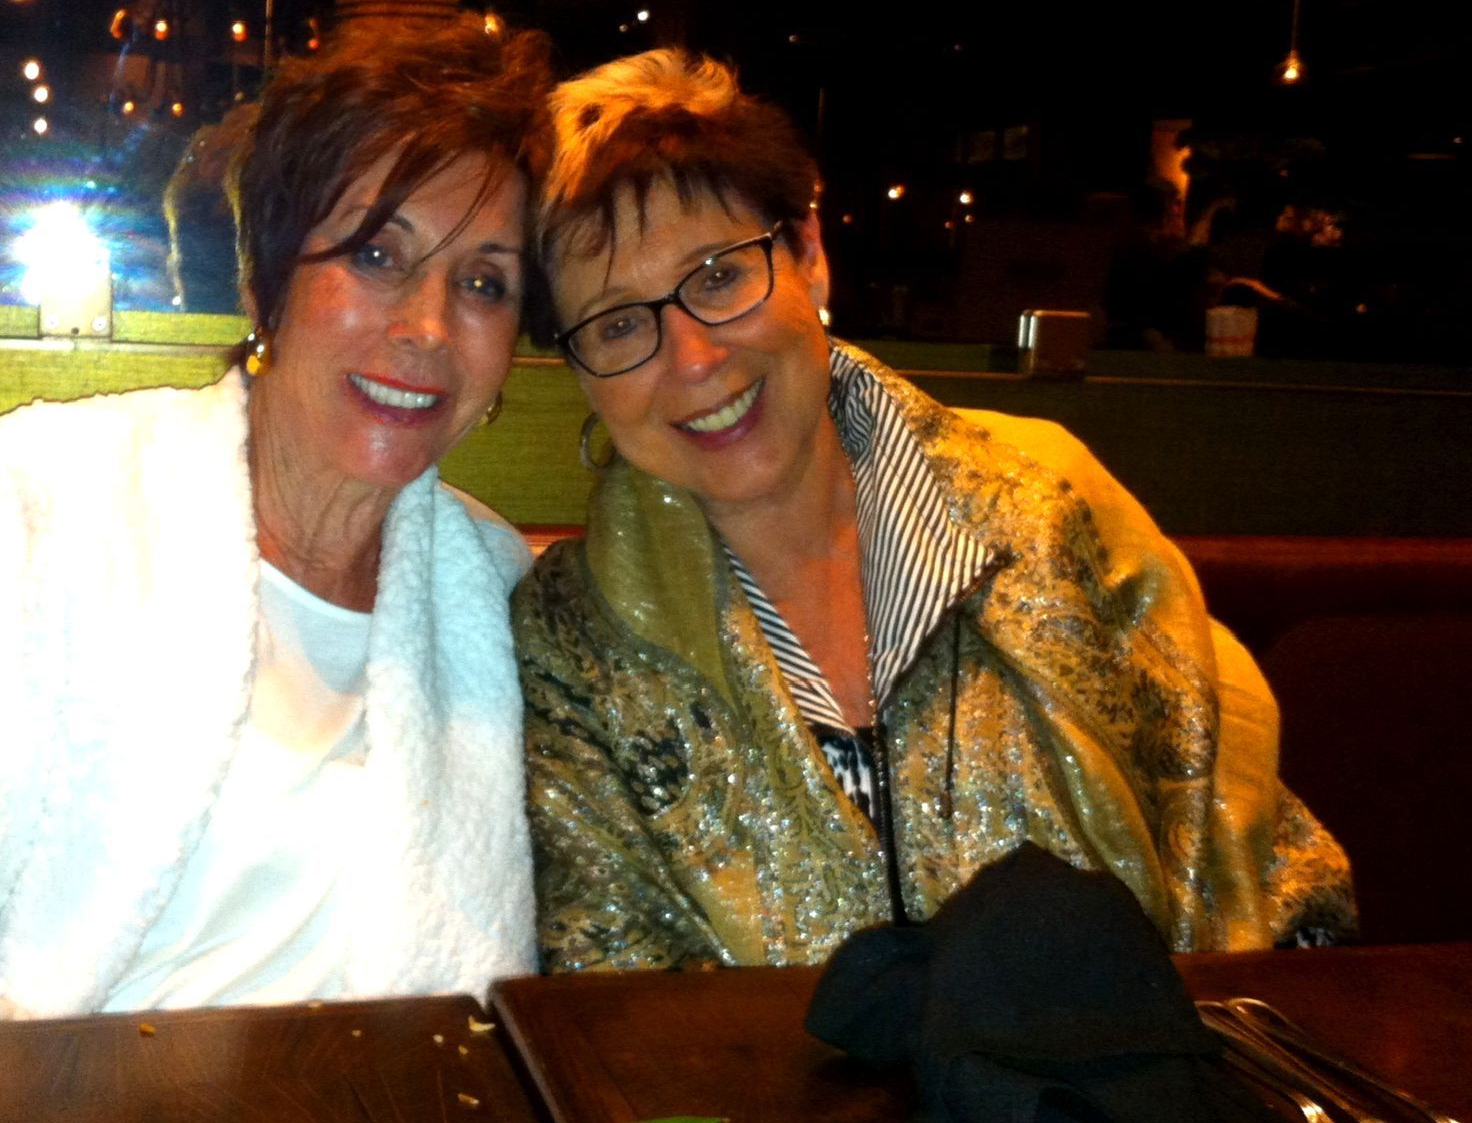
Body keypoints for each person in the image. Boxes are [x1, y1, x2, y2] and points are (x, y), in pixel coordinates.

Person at [0, 17, 553, 1032]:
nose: (429, 327)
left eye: (484, 282)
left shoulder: (493, 593)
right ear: (264, 280)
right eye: (376, 253)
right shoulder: (43, 493)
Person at [513, 50, 1355, 974]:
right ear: (579, 370)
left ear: (808, 256)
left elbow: (1252, 864)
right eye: (619, 324)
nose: (693, 359)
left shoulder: (1042, 502)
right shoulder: (569, 644)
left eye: (717, 276)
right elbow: (612, 993)